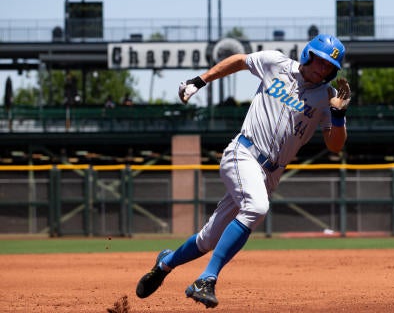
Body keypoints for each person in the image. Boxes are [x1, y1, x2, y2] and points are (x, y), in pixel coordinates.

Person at [135, 34, 351, 308]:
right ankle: (206, 279)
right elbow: (239, 61)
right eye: (320, 61)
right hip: (244, 153)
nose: (323, 69)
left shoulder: (328, 98)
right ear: (309, 54)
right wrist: (199, 81)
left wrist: (339, 116)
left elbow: (335, 145)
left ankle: (164, 264)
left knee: (207, 239)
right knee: (257, 207)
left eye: (329, 66)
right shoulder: (276, 63)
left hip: (271, 173)